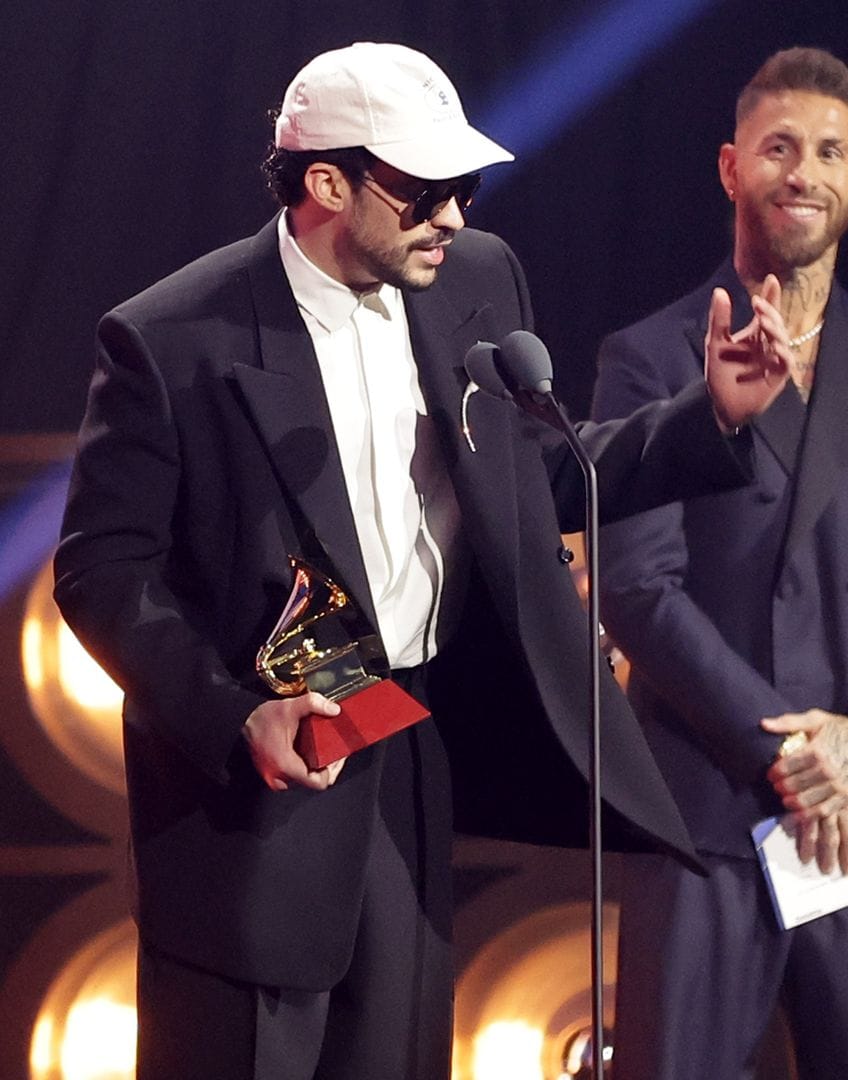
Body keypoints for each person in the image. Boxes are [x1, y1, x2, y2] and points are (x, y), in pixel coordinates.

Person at [53, 42, 789, 1080]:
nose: (455, 216)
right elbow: (101, 572)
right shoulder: (173, 338)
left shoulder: (473, 281)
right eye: (424, 191)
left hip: (406, 752)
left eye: (466, 188)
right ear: (325, 183)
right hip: (257, 796)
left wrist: (706, 417)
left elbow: (538, 471)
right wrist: (236, 715)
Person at [591, 46, 848, 1080]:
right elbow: (637, 589)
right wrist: (785, 754)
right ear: (732, 169)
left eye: (827, 152)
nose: (800, 172)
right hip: (708, 808)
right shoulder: (648, 357)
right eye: (777, 148)